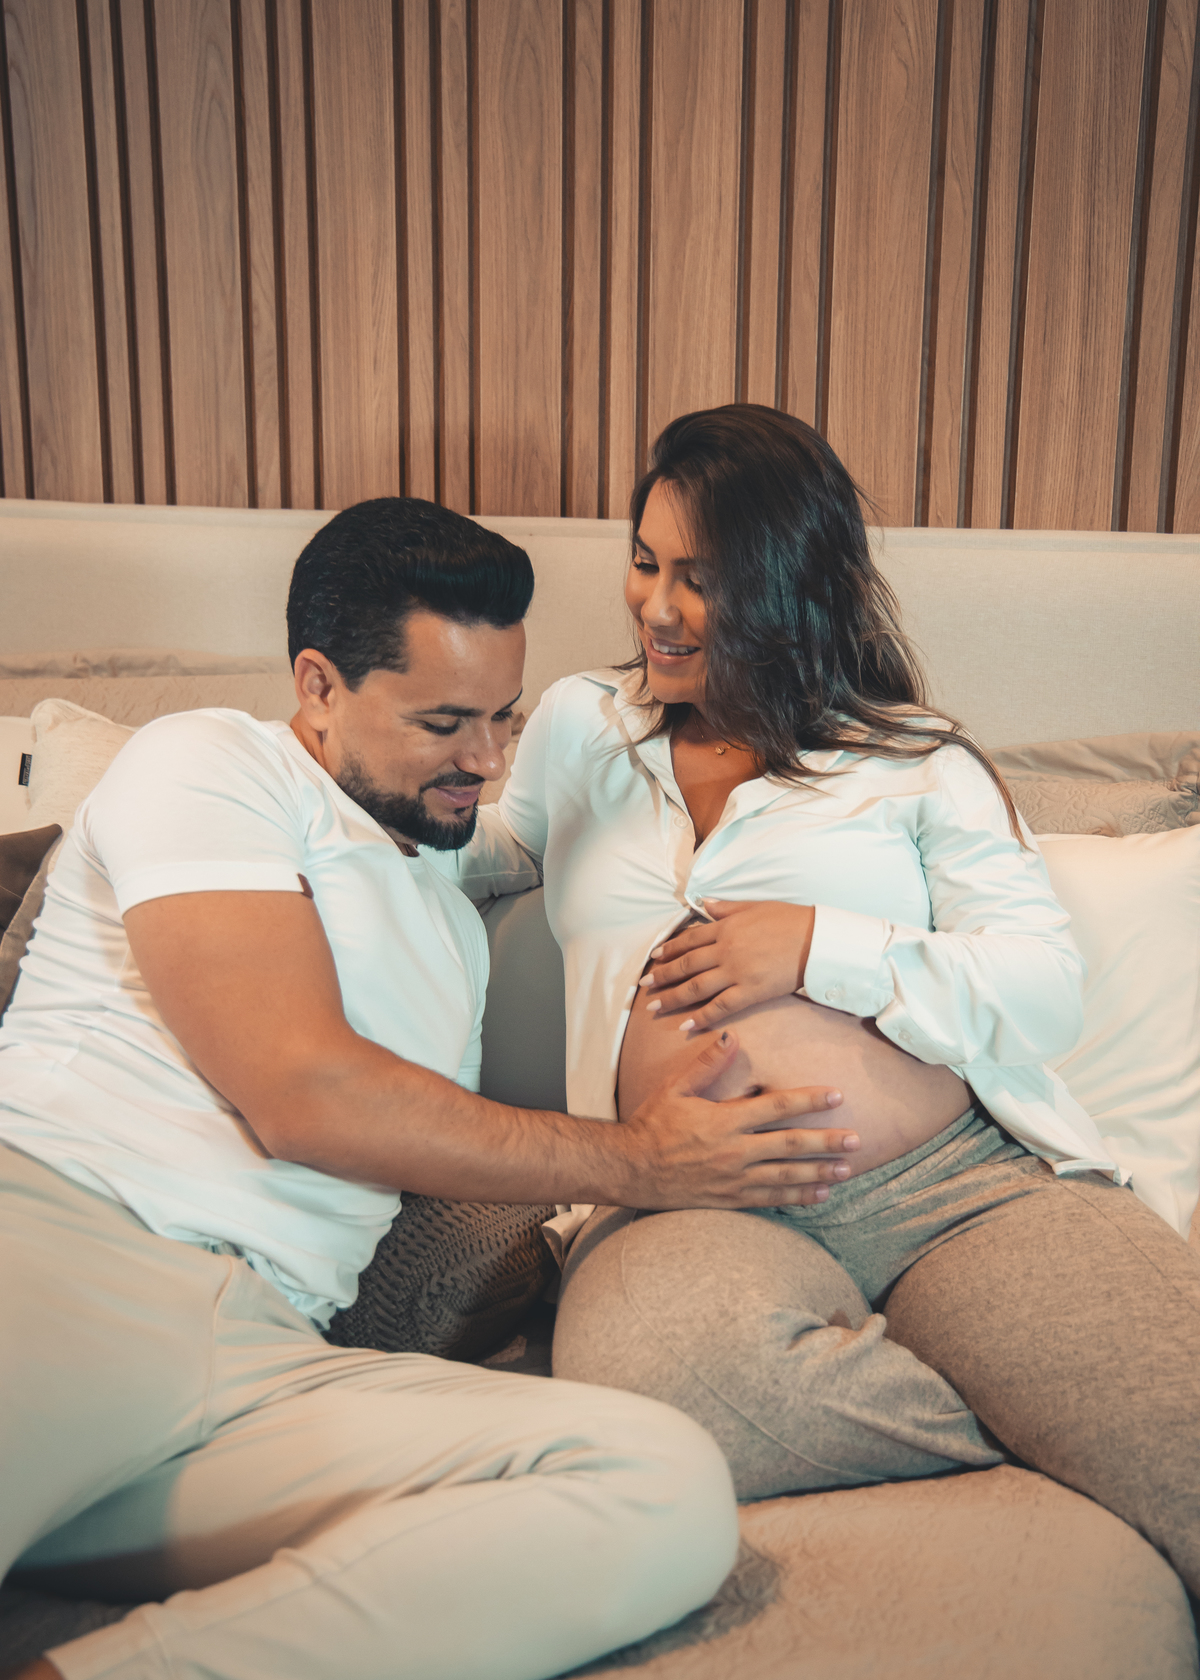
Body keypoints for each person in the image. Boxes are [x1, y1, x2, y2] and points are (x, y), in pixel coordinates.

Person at [0, 497, 858, 1680]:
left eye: (505, 716)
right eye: (444, 722)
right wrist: (645, 1161)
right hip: (67, 1257)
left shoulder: (442, 893)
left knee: (655, 1483)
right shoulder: (209, 763)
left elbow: (534, 855)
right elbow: (306, 1094)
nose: (488, 760)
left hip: (263, 1359)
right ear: (318, 686)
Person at [437, 407, 1200, 1596]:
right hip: (687, 1192)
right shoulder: (585, 726)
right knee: (669, 1381)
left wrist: (817, 946)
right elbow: (504, 850)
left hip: (953, 1189)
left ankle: (1084, 1411)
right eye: (645, 562)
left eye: (702, 579)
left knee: (1179, 1420)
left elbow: (1043, 991)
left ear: (794, 587)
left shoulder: (916, 761)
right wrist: (365, 803)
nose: (656, 607)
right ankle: (1047, 1427)